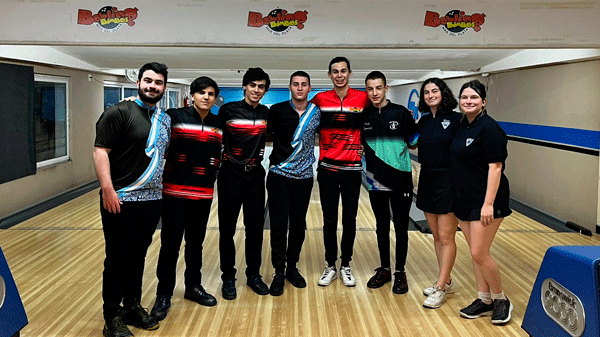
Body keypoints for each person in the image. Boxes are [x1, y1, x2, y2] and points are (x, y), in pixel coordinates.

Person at [93, 62, 170, 337]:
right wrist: (108, 190)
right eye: (148, 80)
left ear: (164, 87)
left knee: (138, 255)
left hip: (151, 200)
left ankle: (132, 306)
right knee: (117, 258)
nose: (153, 86)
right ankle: (111, 316)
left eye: (158, 82)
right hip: (121, 199)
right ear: (138, 83)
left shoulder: (164, 118)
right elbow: (101, 151)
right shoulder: (118, 112)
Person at [150, 77, 223, 321]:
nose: (206, 97)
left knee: (195, 245)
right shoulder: (174, 116)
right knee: (170, 246)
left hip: (202, 195)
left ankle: (193, 286)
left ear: (215, 98)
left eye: (211, 93)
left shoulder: (218, 123)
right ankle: (163, 294)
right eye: (201, 92)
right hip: (174, 194)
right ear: (192, 95)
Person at [449, 79, 513, 324]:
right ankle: (484, 298)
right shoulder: (462, 126)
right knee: (476, 254)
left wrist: (488, 204)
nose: (468, 101)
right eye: (464, 98)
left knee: (479, 252)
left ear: (483, 102)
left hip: (486, 200)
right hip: (464, 199)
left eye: (473, 98)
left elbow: (495, 167)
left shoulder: (489, 128)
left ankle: (501, 299)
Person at [311, 57, 370, 287]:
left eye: (343, 71)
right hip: (327, 168)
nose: (339, 75)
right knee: (329, 219)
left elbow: (372, 122)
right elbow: (308, 124)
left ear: (349, 73)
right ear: (329, 75)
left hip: (352, 169)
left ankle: (345, 264)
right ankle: (330, 265)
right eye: (335, 71)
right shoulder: (320, 99)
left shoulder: (362, 98)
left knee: (350, 219)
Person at [362, 71, 417, 294]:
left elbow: (413, 143)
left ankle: (400, 272)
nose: (374, 93)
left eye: (378, 88)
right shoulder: (364, 115)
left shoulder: (401, 113)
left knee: (401, 228)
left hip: (401, 181)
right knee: (381, 227)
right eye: (370, 89)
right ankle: (384, 268)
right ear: (367, 91)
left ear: (386, 88)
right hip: (375, 181)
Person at [218, 67, 270, 300]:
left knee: (255, 230)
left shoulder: (266, 113)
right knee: (227, 230)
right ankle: (228, 277)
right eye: (252, 85)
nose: (256, 90)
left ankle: (253, 275)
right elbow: (213, 137)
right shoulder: (228, 110)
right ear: (245, 87)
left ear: (265, 90)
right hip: (230, 175)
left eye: (261, 87)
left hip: (256, 176)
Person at [267, 71, 320, 296]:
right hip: (279, 174)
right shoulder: (277, 110)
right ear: (289, 87)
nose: (299, 88)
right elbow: (265, 135)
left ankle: (292, 267)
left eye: (304, 85)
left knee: (298, 225)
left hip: (304, 177)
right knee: (278, 226)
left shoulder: (317, 113)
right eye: (296, 84)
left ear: (310, 88)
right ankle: (278, 271)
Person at [416, 78, 462, 309]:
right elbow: (410, 143)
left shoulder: (456, 119)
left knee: (446, 237)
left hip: (448, 180)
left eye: (435, 91)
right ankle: (445, 279)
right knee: (435, 236)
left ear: (443, 93)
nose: (430, 95)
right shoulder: (423, 121)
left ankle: (441, 287)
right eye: (426, 92)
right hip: (427, 178)